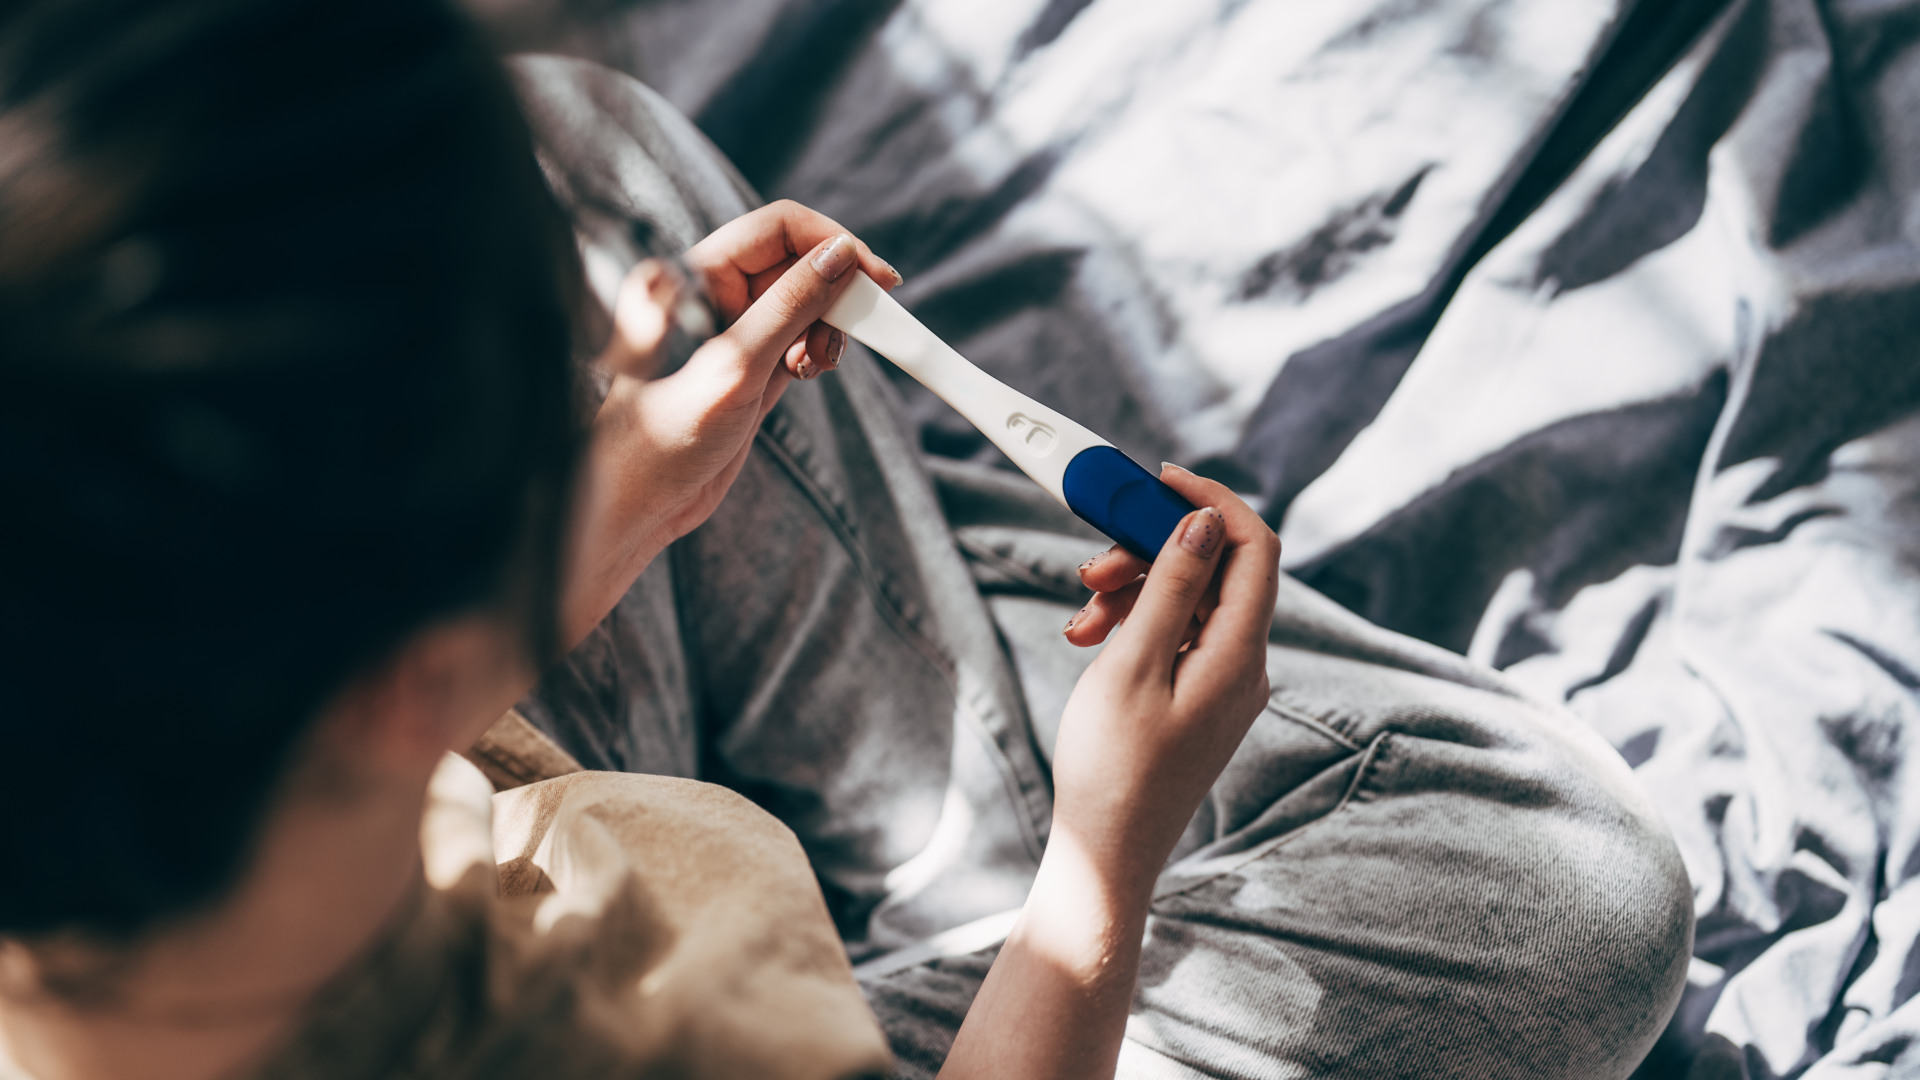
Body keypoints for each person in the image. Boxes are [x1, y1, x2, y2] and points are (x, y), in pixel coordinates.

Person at [0, 1, 1694, 1078]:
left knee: (566, 144)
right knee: (1560, 886)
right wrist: (1097, 877)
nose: (633, 334)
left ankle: (951, 833)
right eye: (528, 446)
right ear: (400, 657)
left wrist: (610, 503)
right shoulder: (640, 993)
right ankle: (987, 863)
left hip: (410, 764)